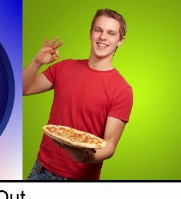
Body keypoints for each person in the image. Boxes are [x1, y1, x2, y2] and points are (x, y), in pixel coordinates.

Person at [23, 8, 133, 180]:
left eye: (111, 33)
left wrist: (83, 156)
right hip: (41, 169)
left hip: (79, 178)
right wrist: (37, 61)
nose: (103, 37)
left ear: (120, 40)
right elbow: (24, 88)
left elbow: (110, 145)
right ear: (90, 34)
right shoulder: (64, 67)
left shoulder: (122, 90)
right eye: (98, 30)